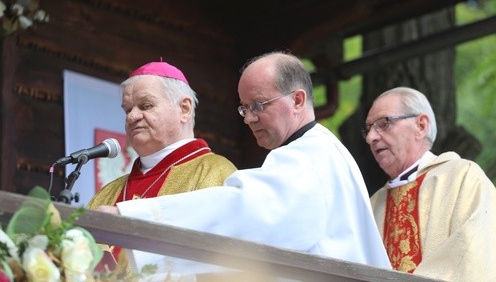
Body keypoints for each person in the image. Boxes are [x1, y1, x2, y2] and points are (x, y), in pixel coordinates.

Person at [97, 52, 391, 277]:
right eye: (244, 108)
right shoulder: (321, 151)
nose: (249, 118)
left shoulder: (309, 158)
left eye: (258, 105)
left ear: (298, 100)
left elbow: (246, 211)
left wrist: (132, 220)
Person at [87, 60, 237, 266]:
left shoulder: (218, 173)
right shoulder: (108, 192)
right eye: (127, 109)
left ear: (184, 108)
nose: (132, 116)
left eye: (146, 105)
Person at [363, 86, 496, 282]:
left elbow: (471, 256)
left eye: (384, 124)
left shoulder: (463, 178)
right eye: (367, 129)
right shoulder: (372, 205)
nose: (370, 137)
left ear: (421, 125)